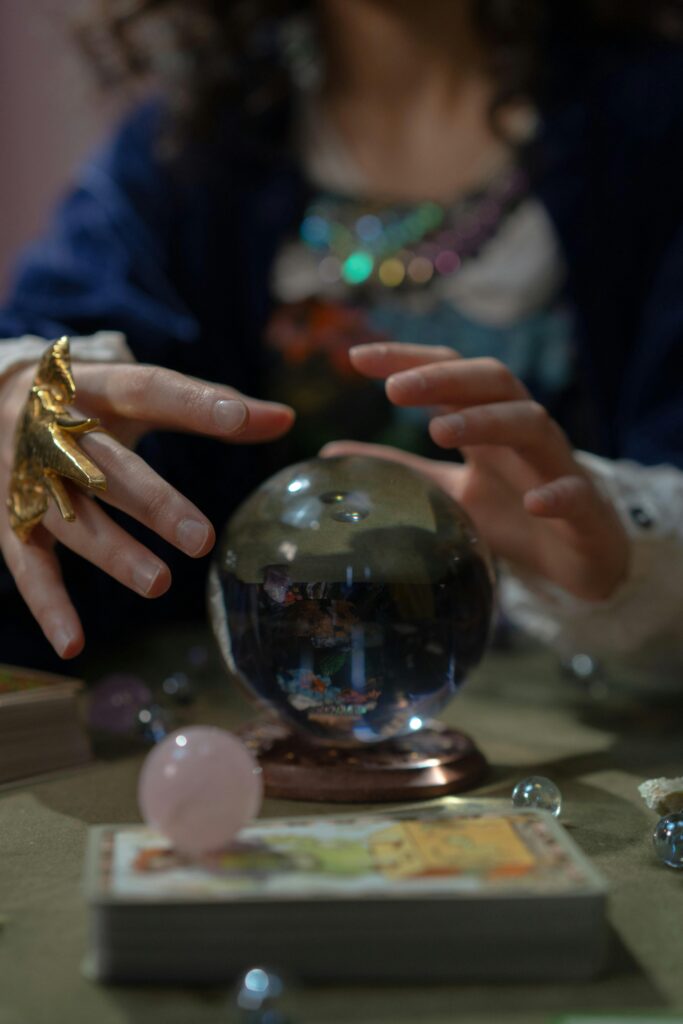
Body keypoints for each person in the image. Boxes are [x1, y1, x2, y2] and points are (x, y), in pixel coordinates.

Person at [1, 0, 682, 684]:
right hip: (252, 721)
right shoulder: (189, 145)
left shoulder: (653, 124)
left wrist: (627, 556)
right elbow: (49, 336)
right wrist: (18, 394)